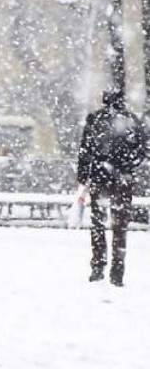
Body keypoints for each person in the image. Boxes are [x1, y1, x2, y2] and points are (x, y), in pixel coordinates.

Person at [77, 90, 146, 287]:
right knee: (120, 225)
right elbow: (141, 150)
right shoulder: (131, 121)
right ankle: (117, 269)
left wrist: (84, 176)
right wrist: (127, 166)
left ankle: (98, 265)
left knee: (98, 223)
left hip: (100, 176)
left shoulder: (95, 119)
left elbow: (85, 149)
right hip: (122, 179)